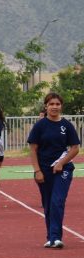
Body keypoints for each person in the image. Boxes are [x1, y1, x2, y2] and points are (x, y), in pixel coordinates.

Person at [26, 92, 80, 248]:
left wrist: (61, 163)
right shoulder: (40, 126)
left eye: (57, 104)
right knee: (48, 204)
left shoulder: (67, 125)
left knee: (57, 201)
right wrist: (37, 171)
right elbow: (33, 149)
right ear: (46, 106)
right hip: (43, 170)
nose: (55, 107)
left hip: (62, 170)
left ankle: (56, 237)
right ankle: (51, 237)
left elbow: (75, 148)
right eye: (51, 104)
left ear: (61, 106)